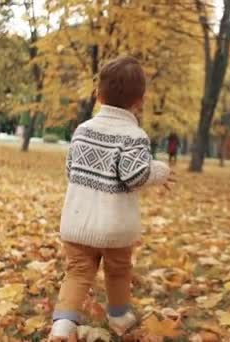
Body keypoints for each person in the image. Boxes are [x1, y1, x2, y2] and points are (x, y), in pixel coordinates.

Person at [50, 56, 172, 340]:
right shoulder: (134, 135)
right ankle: (119, 317)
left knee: (78, 272)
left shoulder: (83, 130)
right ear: (140, 100)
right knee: (118, 271)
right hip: (115, 226)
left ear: (98, 94)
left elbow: (70, 169)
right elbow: (134, 175)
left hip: (77, 221)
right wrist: (160, 171)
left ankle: (63, 326)